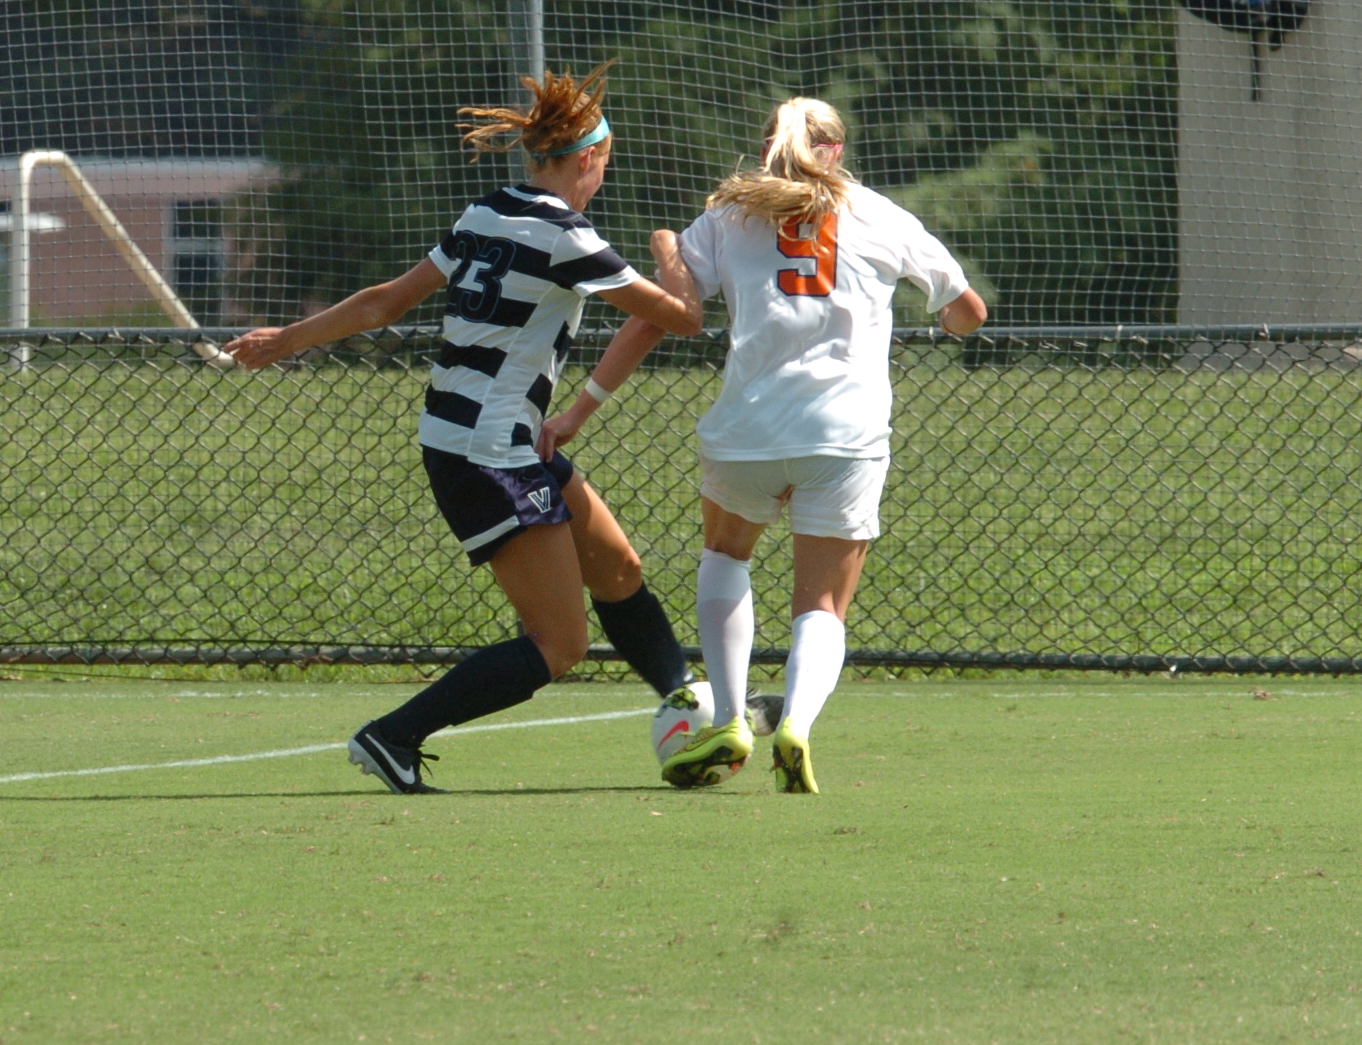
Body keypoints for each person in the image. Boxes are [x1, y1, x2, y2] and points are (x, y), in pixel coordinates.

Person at [225, 65, 705, 793]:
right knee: (559, 643)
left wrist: (286, 339)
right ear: (587, 160)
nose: (604, 175)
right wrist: (672, 249)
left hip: (483, 437)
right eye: (605, 163)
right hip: (489, 453)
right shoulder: (568, 237)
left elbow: (386, 302)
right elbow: (683, 317)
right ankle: (393, 737)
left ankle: (692, 704)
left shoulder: (485, 213)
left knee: (617, 569)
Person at [541, 97, 984, 794]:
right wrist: (943, 322)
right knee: (822, 604)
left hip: (746, 431)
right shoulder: (882, 216)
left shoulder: (727, 215)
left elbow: (657, 318)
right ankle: (796, 724)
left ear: (767, 149)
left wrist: (578, 410)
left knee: (725, 557)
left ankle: (728, 719)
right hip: (844, 434)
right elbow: (967, 313)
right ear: (836, 151)